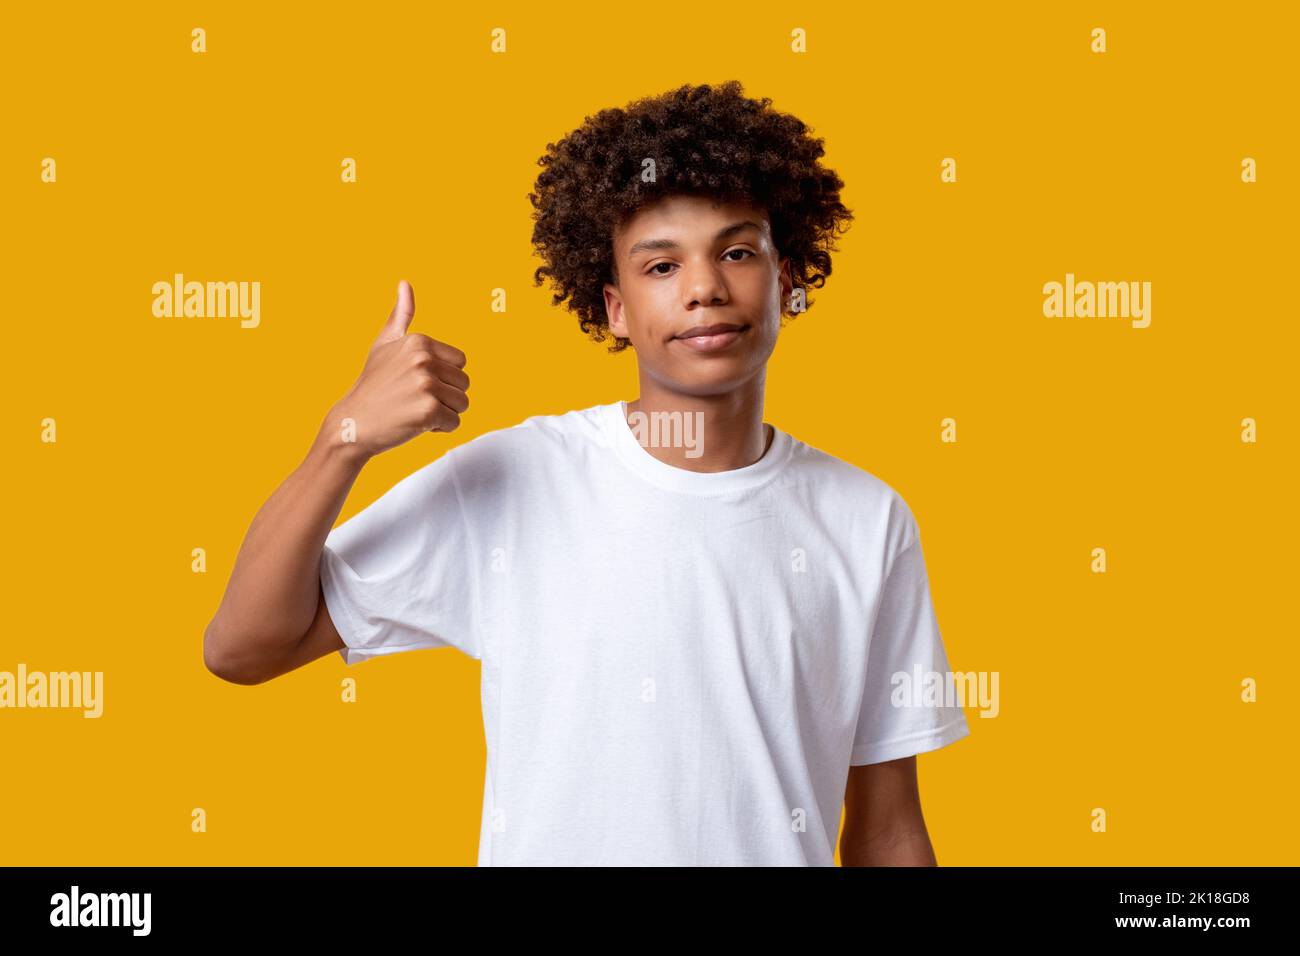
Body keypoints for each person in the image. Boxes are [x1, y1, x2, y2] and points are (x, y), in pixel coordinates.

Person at [204, 81, 970, 866]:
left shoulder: (867, 518)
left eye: (737, 252)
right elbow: (243, 648)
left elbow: (886, 829)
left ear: (785, 281)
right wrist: (345, 439)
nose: (705, 287)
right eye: (662, 266)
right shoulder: (517, 481)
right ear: (614, 308)